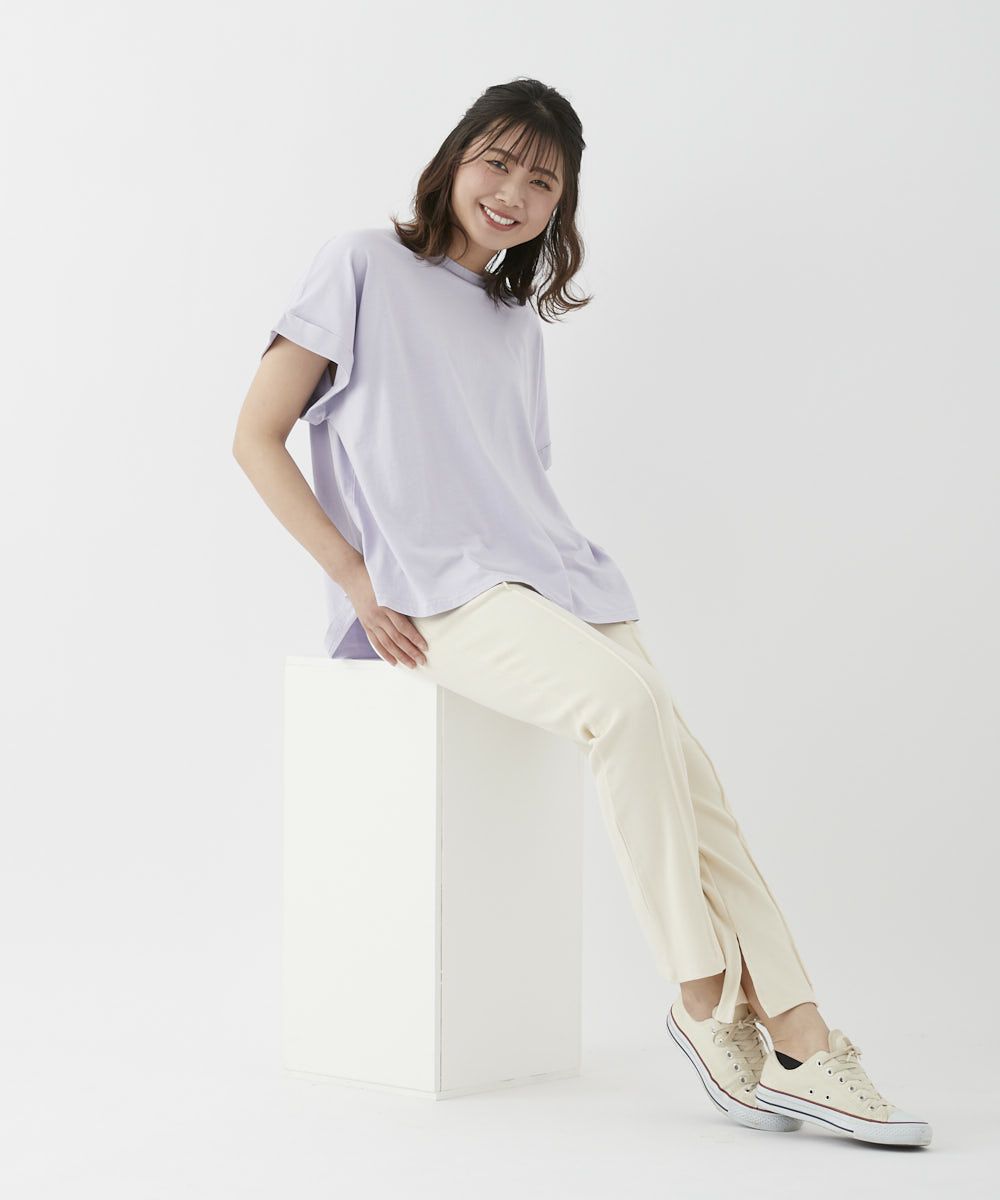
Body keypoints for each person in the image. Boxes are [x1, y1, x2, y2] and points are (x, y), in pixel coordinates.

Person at [233, 78, 930, 1147]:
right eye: (497, 163)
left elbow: (514, 480)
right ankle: (703, 1000)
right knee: (626, 714)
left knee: (697, 786)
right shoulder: (361, 263)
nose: (513, 193)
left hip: (556, 577)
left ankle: (801, 1032)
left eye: (542, 181)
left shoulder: (513, 321)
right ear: (454, 159)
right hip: (435, 589)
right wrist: (357, 580)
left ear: (561, 206)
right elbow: (256, 436)